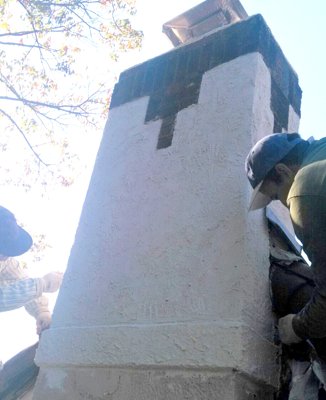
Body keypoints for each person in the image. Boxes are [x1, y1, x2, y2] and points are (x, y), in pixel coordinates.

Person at [245, 132, 326, 347]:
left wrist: (297, 326)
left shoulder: (303, 192)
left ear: (282, 171)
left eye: (274, 196)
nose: (281, 203)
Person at [0, 205, 63, 335]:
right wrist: (42, 284)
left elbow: (18, 279)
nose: (5, 256)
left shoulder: (5, 261)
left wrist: (41, 311)